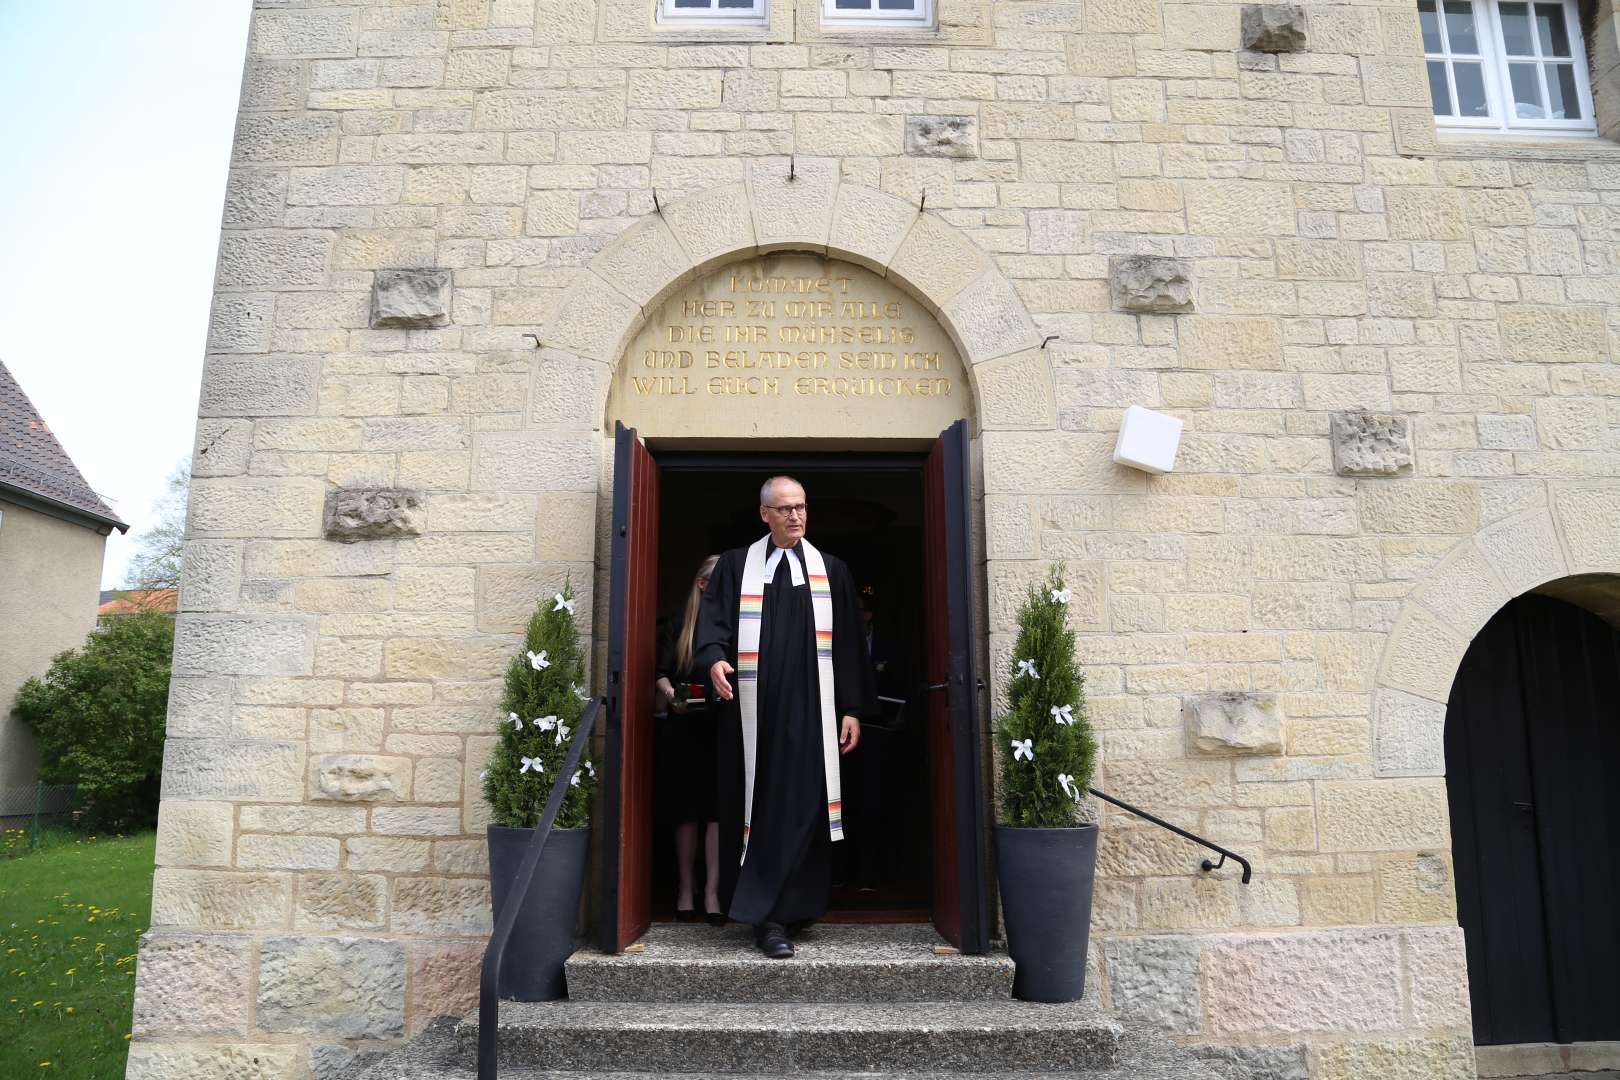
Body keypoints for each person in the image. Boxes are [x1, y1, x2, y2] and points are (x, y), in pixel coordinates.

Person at [695, 476, 876, 959]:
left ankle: (793, 910)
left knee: (803, 807)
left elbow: (849, 648)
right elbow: (710, 624)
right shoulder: (735, 567)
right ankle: (766, 917)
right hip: (751, 714)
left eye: (801, 508)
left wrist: (852, 709)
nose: (795, 516)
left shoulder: (831, 570)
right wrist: (713, 657)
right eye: (784, 509)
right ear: (764, 515)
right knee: (759, 805)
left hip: (813, 715)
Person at [654, 555, 723, 925]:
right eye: (720, 580)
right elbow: (660, 673)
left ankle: (712, 891)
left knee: (716, 812)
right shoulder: (682, 622)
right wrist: (671, 697)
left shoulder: (731, 622)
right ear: (702, 584)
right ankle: (685, 888)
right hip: (684, 726)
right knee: (686, 812)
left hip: (721, 726)